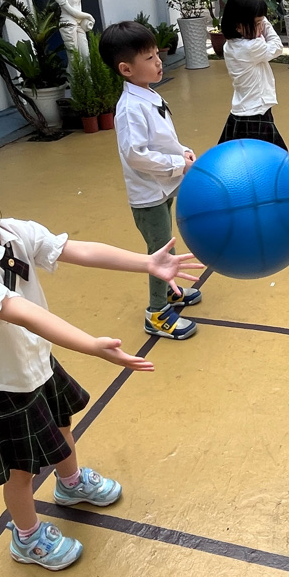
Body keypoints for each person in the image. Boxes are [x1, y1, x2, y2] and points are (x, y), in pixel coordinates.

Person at [0, 133, 203, 571]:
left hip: (34, 360)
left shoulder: (9, 231)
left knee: (61, 426)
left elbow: (75, 249)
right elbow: (21, 312)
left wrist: (147, 263)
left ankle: (70, 483)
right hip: (0, 384)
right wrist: (90, 344)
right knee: (20, 471)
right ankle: (26, 538)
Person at [100, 20, 202, 340]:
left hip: (163, 186)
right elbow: (136, 155)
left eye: (157, 54)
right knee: (159, 251)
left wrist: (182, 152)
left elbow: (163, 139)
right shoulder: (129, 108)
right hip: (148, 195)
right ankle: (156, 314)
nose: (158, 61)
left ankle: (169, 289)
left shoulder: (148, 94)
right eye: (149, 57)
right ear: (126, 69)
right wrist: (178, 165)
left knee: (166, 243)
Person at [219, 0, 288, 149]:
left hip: (245, 111)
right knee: (276, 156)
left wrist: (258, 17)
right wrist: (266, 22)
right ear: (238, 26)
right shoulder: (251, 47)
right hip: (255, 114)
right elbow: (277, 46)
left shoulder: (230, 45)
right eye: (257, 24)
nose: (261, 27)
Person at [49, 0, 96, 67]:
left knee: (85, 55)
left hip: (79, 21)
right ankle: (74, 78)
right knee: (74, 57)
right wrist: (88, 16)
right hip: (68, 24)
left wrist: (83, 18)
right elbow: (70, 11)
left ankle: (88, 77)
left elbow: (78, 4)